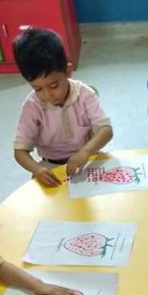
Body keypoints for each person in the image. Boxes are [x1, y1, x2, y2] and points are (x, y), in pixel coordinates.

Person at [12, 27, 113, 187]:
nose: (48, 95)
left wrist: (85, 152)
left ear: (68, 71)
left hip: (87, 159)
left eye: (53, 86)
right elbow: (20, 152)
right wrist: (37, 169)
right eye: (37, 88)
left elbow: (106, 130)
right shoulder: (32, 106)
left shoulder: (85, 94)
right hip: (50, 166)